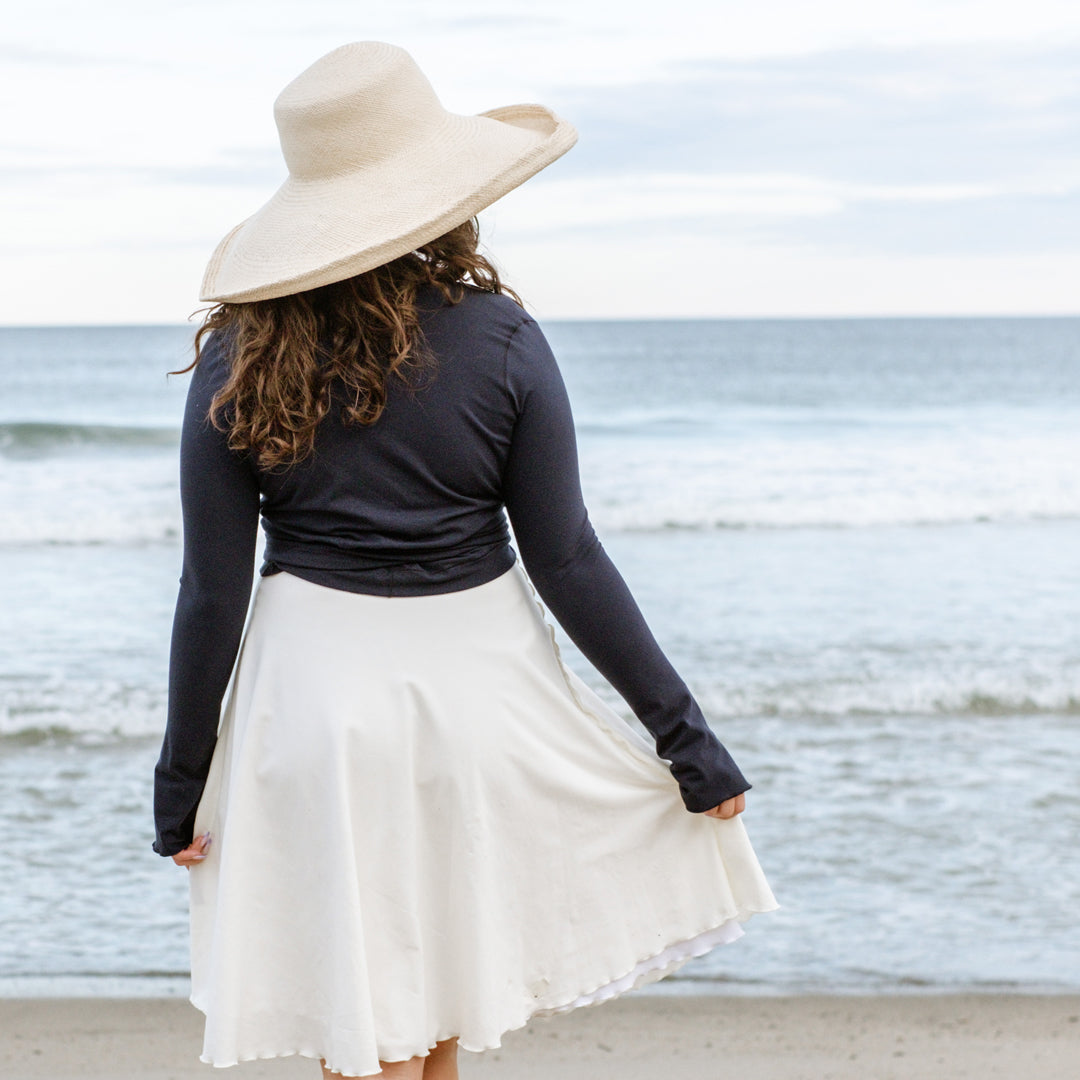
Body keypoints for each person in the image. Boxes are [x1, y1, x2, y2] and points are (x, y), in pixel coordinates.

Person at [152, 41, 777, 1080]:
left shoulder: (239, 355)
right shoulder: (500, 338)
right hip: (480, 696)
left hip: (315, 698)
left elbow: (211, 590)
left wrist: (182, 779)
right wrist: (686, 740)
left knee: (367, 1022)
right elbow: (568, 558)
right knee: (436, 1008)